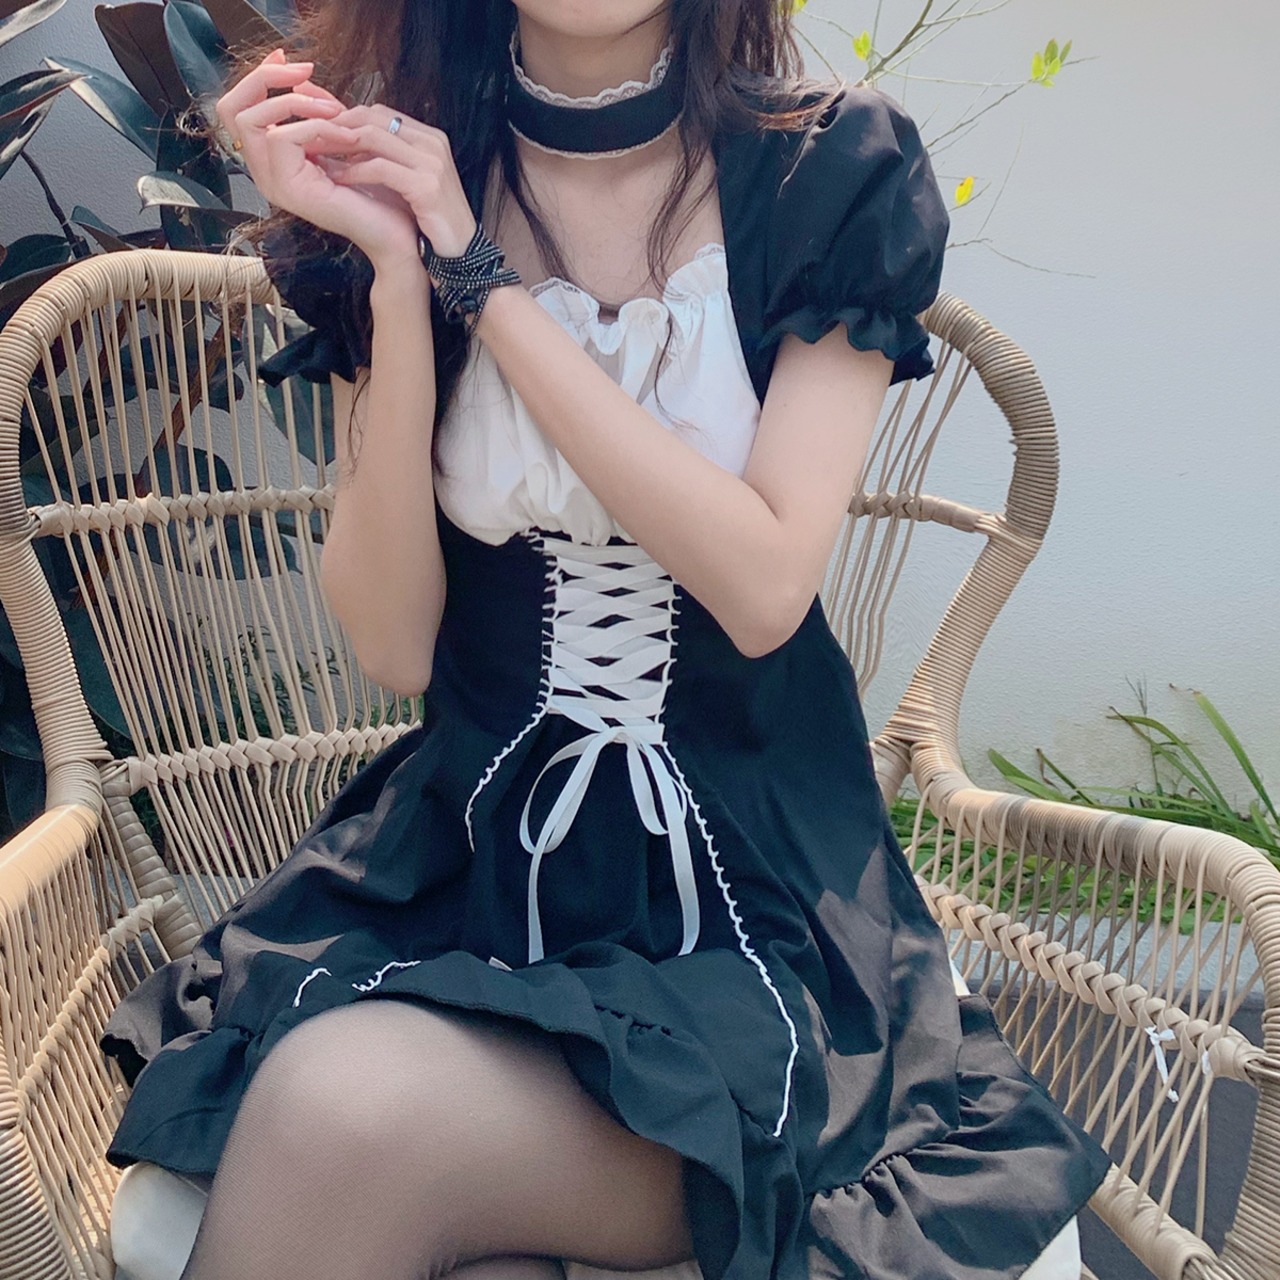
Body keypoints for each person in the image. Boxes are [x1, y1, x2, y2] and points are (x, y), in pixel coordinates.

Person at [99, 2, 1113, 1278]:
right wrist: (399, 278)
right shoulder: (407, 179)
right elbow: (396, 644)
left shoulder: (827, 171)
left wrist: (483, 281)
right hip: (469, 866)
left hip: (742, 901)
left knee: (337, 1112)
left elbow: (760, 586)